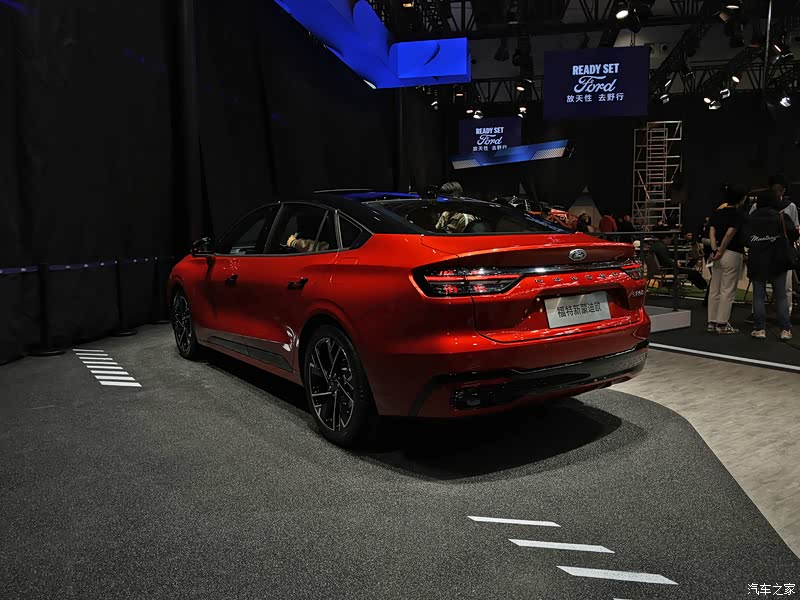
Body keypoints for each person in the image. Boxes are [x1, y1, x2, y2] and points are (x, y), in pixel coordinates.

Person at [744, 189, 799, 340]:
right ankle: (785, 330)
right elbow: (794, 235)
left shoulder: (751, 218)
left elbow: (744, 239)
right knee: (781, 295)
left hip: (757, 260)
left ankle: (760, 328)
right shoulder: (781, 216)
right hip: (778, 260)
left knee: (758, 296)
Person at [706, 185, 747, 334]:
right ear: (741, 199)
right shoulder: (738, 214)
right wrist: (721, 251)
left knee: (715, 288)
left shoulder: (717, 212)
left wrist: (715, 250)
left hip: (716, 252)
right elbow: (730, 233)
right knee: (727, 289)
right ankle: (722, 323)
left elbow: (712, 232)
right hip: (731, 253)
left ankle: (712, 321)